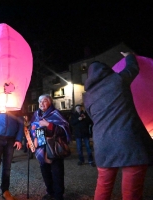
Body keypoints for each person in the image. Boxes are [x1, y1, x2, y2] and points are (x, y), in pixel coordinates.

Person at [84, 52, 153, 200]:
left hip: (103, 144)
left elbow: (93, 118)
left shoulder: (88, 96)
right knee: (131, 193)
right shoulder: (117, 80)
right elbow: (133, 68)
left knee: (103, 186)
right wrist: (129, 55)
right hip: (129, 141)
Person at [30, 94, 71, 200]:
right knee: (45, 172)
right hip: (41, 146)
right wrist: (33, 137)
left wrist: (48, 125)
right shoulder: (36, 115)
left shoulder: (56, 113)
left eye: (44, 101)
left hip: (54, 147)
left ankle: (58, 195)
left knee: (57, 172)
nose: (41, 103)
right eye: (40, 102)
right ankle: (50, 192)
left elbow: (64, 129)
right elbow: (33, 128)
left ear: (50, 102)